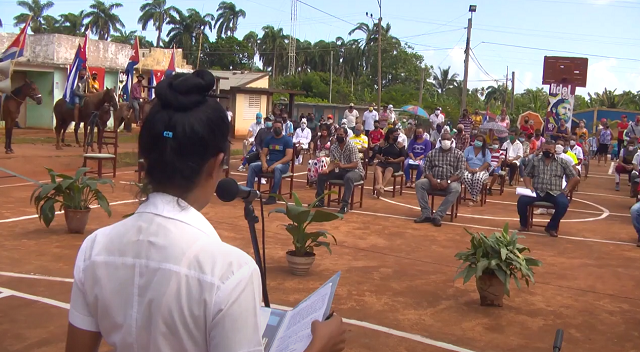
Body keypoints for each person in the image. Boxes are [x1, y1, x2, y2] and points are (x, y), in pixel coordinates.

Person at [64, 70, 347, 352]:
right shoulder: (229, 271)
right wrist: (318, 347)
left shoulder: (94, 249)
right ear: (217, 165)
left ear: (143, 165)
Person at [517, 140, 580, 237]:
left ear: (554, 150)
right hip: (537, 191)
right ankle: (524, 224)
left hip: (554, 192)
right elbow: (527, 175)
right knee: (522, 201)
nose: (547, 151)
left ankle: (551, 227)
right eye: (545, 149)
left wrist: (566, 189)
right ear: (542, 149)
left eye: (550, 150)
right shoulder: (535, 161)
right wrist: (529, 186)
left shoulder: (562, 162)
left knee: (563, 203)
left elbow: (575, 177)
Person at [413, 132, 464, 227]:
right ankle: (426, 213)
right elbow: (426, 168)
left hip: (450, 182)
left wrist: (448, 181)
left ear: (452, 141)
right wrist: (432, 180)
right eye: (444, 139)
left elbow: (461, 172)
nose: (446, 142)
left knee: (456, 189)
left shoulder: (458, 154)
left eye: (448, 139)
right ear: (440, 141)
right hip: (434, 180)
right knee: (419, 184)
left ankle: (438, 215)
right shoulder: (432, 153)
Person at [314, 127, 365, 214]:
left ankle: (344, 205)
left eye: (341, 135)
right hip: (341, 170)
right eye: (337, 135)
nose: (339, 136)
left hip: (355, 171)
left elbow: (355, 164)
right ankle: (320, 201)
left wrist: (343, 165)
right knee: (322, 175)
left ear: (345, 135)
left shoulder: (351, 146)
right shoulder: (334, 147)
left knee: (348, 178)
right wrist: (327, 169)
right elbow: (333, 162)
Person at [246, 119, 293, 205]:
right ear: (272, 128)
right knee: (252, 166)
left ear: (282, 128)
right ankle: (249, 193)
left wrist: (274, 165)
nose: (277, 129)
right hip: (269, 162)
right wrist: (264, 163)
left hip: (282, 165)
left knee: (277, 169)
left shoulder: (287, 140)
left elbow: (288, 157)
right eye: (275, 127)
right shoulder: (269, 139)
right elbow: (263, 154)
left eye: (279, 127)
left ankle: (272, 196)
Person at [373, 128, 406, 197]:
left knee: (389, 169)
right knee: (377, 167)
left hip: (395, 163)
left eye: (397, 135)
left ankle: (381, 186)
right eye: (395, 135)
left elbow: (403, 157)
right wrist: (382, 158)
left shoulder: (399, 144)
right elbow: (377, 154)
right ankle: (380, 185)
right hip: (384, 161)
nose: (396, 136)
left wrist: (394, 161)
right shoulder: (383, 143)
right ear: (390, 135)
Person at [462, 134, 491, 205]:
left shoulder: (486, 151)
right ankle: (475, 195)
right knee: (465, 177)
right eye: (477, 140)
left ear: (483, 143)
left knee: (477, 178)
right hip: (468, 168)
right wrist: (468, 169)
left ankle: (473, 198)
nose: (478, 142)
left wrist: (478, 169)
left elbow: (487, 163)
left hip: (481, 170)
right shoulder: (468, 149)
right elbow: (463, 160)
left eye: (480, 141)